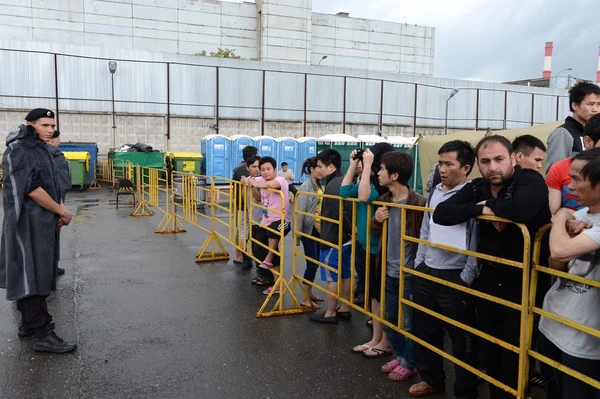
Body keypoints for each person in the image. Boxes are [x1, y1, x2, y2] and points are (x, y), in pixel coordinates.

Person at [433, 135, 551, 399]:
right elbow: (441, 213)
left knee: (515, 351)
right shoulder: (478, 186)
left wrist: (485, 206)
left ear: (514, 158)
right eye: (485, 162)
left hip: (526, 281)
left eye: (499, 159)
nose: (492, 167)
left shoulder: (529, 179)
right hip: (489, 280)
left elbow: (520, 209)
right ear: (477, 164)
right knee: (489, 348)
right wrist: (483, 210)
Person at [0, 108, 76, 353]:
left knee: (32, 272)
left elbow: (53, 183)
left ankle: (28, 324)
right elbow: (32, 189)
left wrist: (59, 208)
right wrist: (61, 212)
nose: (50, 130)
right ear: (30, 124)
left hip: (42, 222)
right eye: (45, 125)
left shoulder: (42, 149)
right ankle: (44, 331)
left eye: (52, 126)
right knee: (32, 275)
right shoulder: (20, 149)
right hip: (27, 224)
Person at [408, 140, 479, 398]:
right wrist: (420, 263)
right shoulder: (435, 191)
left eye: (449, 164)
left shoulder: (472, 195)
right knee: (425, 330)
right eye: (440, 163)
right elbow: (426, 227)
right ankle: (432, 379)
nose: (443, 169)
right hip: (429, 271)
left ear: (466, 168)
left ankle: (465, 389)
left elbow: (475, 238)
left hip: (456, 275)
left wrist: (466, 277)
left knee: (462, 338)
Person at [538, 149, 600, 399]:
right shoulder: (582, 215)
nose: (569, 185)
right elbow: (556, 264)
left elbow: (559, 250)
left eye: (576, 179)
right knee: (553, 390)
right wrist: (568, 227)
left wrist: (561, 215)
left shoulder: (571, 214)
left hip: (585, 336)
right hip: (553, 320)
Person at [372, 151, 426, 382]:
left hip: (410, 273)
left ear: (394, 175)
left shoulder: (419, 203)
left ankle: (409, 362)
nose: (378, 173)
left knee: (408, 322)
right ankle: (401, 354)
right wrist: (376, 220)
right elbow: (377, 232)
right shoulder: (384, 200)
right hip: (388, 271)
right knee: (388, 318)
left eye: (382, 169)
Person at [340, 143, 395, 358]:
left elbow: (363, 196)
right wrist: (353, 164)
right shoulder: (369, 182)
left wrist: (369, 165)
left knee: (382, 296)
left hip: (379, 249)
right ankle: (376, 338)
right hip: (366, 247)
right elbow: (344, 191)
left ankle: (386, 341)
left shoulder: (379, 188)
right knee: (373, 295)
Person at [309, 149, 353, 324]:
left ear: (331, 166)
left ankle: (330, 312)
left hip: (334, 239)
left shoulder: (334, 185)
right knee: (346, 274)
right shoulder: (344, 181)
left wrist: (347, 229)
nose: (317, 169)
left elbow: (339, 212)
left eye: (320, 166)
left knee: (332, 277)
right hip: (346, 239)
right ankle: (345, 308)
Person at [242, 156, 290, 295]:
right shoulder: (261, 179)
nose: (265, 172)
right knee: (258, 249)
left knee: (272, 237)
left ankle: (271, 264)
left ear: (275, 169)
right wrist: (247, 181)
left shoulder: (280, 180)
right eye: (262, 169)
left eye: (268, 169)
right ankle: (276, 280)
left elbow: (270, 185)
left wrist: (254, 183)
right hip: (266, 221)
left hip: (281, 221)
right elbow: (251, 180)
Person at [547, 113, 600, 214]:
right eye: (574, 178)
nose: (571, 186)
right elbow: (551, 213)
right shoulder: (560, 168)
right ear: (587, 142)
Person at [546, 81, 600, 172]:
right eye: (591, 104)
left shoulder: (595, 131)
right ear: (575, 105)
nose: (595, 109)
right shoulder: (563, 133)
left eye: (599, 104)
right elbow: (554, 173)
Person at [295, 157, 325, 307]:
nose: (321, 170)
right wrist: (298, 235)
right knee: (312, 264)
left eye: (322, 167)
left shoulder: (319, 185)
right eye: (318, 167)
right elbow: (301, 212)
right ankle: (304, 298)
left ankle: (310, 293)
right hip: (310, 230)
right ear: (312, 169)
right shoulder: (306, 187)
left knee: (315, 262)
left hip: (318, 229)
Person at [47, 130, 71, 277]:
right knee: (52, 237)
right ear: (52, 141)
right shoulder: (56, 156)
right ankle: (51, 267)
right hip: (53, 204)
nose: (59, 143)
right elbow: (61, 184)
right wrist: (61, 208)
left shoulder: (35, 153)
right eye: (58, 140)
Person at [232, 146, 258, 266]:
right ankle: (252, 256)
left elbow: (233, 186)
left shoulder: (237, 169)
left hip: (241, 205)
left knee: (242, 230)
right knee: (255, 231)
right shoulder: (257, 168)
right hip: (255, 206)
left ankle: (240, 254)